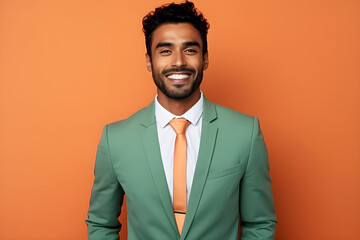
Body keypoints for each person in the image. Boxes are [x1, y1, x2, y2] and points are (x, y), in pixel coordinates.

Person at [86, 1, 277, 239]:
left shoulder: (245, 133)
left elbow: (259, 223)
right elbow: (101, 224)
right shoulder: (115, 140)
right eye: (165, 51)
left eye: (190, 50)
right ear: (149, 61)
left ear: (205, 58)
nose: (178, 62)